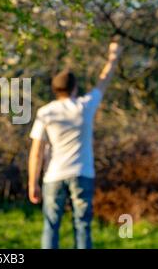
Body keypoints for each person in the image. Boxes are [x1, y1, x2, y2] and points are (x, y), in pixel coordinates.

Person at [28, 38, 122, 249]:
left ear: (54, 89)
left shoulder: (46, 112)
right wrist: (113, 56)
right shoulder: (84, 107)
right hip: (82, 173)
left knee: (51, 225)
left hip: (54, 175)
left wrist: (32, 182)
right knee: (82, 225)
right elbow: (103, 80)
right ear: (74, 88)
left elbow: (36, 152)